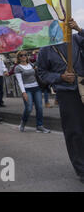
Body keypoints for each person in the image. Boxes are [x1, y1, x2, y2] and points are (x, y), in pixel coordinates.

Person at [37, 19, 84, 183]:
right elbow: (42, 73)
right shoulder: (45, 51)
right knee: (75, 132)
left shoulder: (77, 39)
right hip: (67, 94)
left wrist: (78, 29)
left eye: (61, 28)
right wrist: (60, 77)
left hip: (83, 88)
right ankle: (81, 169)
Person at [14, 50, 51, 133]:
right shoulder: (17, 68)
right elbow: (20, 81)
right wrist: (23, 93)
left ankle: (39, 126)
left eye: (25, 55)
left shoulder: (31, 64)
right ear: (18, 57)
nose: (23, 56)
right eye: (21, 55)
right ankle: (22, 124)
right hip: (27, 89)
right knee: (29, 108)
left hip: (36, 88)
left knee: (39, 107)